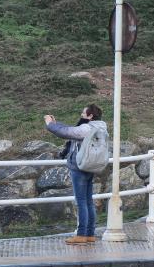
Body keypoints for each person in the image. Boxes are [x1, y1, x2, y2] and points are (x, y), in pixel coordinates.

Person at [45, 104, 108, 243]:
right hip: (91, 166)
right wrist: (57, 123)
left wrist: (50, 125)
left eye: (83, 113)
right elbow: (72, 129)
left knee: (81, 202)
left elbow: (66, 132)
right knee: (88, 201)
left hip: (79, 167)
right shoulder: (101, 127)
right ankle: (90, 234)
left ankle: (81, 235)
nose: (81, 115)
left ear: (90, 116)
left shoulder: (87, 128)